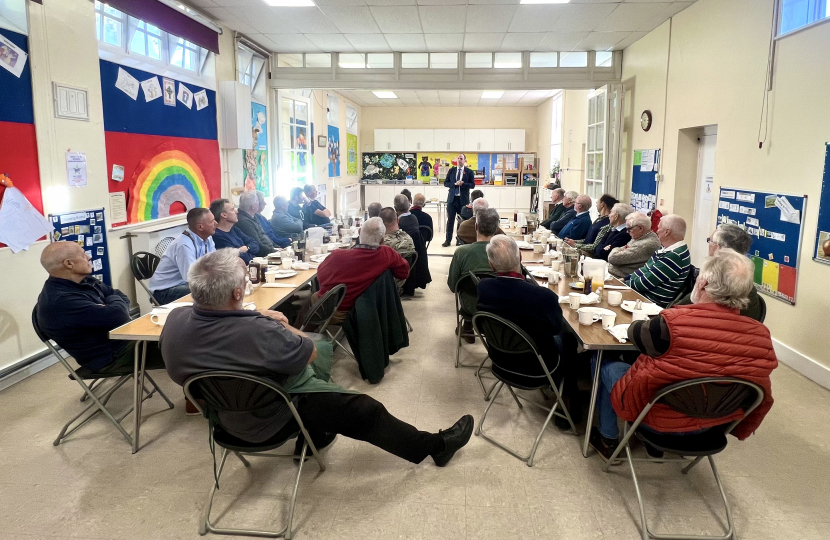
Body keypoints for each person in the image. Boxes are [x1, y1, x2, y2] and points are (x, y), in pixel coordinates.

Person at [160, 249, 473, 466]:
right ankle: (435, 447)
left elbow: (180, 373)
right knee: (364, 408)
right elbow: (307, 352)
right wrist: (282, 324)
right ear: (237, 295)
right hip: (277, 415)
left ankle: (318, 432)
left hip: (222, 421)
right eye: (245, 282)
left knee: (318, 376)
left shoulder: (174, 322)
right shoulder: (261, 332)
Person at [589, 248, 778, 460]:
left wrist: (691, 304)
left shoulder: (671, 323)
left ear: (703, 284)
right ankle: (652, 447)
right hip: (715, 425)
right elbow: (763, 394)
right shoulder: (762, 336)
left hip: (658, 421)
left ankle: (608, 439)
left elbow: (635, 333)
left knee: (604, 360)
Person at [36, 241, 166, 373]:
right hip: (110, 357)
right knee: (180, 346)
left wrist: (109, 303)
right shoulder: (61, 300)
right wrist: (111, 303)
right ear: (69, 263)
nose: (88, 257)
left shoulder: (83, 280)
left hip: (123, 340)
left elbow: (118, 294)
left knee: (175, 331)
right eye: (83, 255)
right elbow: (119, 315)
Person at [476, 235, 570, 394]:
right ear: (520, 257)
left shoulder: (483, 287)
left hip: (500, 362)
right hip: (538, 370)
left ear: (491, 265)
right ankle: (566, 399)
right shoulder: (544, 297)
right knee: (568, 338)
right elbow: (556, 329)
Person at [315, 217, 410, 324]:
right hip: (367, 309)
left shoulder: (337, 255)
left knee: (313, 298)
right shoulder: (387, 254)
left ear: (359, 232)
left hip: (337, 310)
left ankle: (302, 334)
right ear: (382, 240)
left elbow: (320, 277)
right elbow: (403, 273)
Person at [674, 223, 764, 321]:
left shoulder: (713, 286)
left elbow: (678, 312)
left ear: (717, 249)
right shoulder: (746, 286)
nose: (708, 245)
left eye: (710, 241)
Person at [447, 208, 501, 344]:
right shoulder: (504, 252)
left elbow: (453, 286)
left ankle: (467, 327)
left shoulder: (461, 252)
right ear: (496, 229)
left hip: (470, 306)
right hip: (499, 306)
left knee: (471, 292)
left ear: (475, 226)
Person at [150, 207, 216, 305]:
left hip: (184, 285)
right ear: (200, 227)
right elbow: (191, 278)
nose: (216, 223)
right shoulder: (184, 244)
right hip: (164, 291)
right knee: (209, 292)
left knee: (220, 286)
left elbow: (215, 263)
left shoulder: (208, 238)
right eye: (212, 221)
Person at [626, 214, 691, 307]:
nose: (656, 231)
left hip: (650, 302)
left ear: (667, 232)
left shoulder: (674, 256)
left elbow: (645, 283)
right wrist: (626, 278)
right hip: (642, 296)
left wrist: (625, 283)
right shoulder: (666, 248)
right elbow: (645, 269)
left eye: (659, 228)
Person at [395, 194, 432, 296]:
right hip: (415, 257)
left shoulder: (398, 224)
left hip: (401, 256)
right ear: (408, 205)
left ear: (395, 208)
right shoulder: (414, 219)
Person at [607, 212, 661, 278]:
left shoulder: (646, 244)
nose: (627, 232)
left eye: (629, 229)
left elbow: (613, 258)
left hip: (621, 279)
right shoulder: (640, 236)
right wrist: (622, 249)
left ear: (640, 228)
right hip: (612, 273)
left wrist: (615, 249)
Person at [210, 198, 258, 264]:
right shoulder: (217, 236)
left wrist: (247, 248)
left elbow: (255, 243)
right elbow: (240, 258)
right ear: (224, 215)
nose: (237, 212)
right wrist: (246, 252)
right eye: (232, 209)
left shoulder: (234, 229)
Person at [442, 153, 475, 247]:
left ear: (464, 160)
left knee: (461, 221)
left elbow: (472, 185)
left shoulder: (469, 172)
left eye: (461, 158)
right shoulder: (452, 171)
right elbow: (446, 183)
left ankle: (459, 240)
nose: (459, 160)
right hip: (452, 199)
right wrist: (455, 184)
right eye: (458, 158)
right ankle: (448, 240)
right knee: (450, 220)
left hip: (463, 200)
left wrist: (463, 184)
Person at [379, 207, 416, 292]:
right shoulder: (409, 238)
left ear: (381, 223)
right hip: (401, 281)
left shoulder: (383, 244)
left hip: (384, 284)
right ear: (398, 220)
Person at [236, 191, 277, 257]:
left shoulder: (254, 217)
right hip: (264, 256)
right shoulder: (244, 222)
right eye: (258, 201)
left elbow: (265, 236)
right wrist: (274, 251)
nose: (259, 203)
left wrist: (276, 247)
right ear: (253, 206)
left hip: (270, 251)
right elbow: (258, 244)